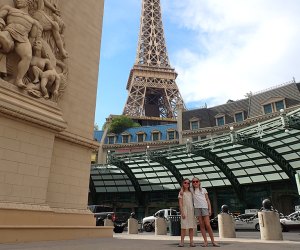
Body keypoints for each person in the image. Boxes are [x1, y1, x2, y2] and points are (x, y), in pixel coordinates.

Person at [0, 0, 41, 88]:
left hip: (23, 39)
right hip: (9, 32)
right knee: (1, 37)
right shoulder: (9, 9)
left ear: (29, 2)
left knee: (27, 56)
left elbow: (32, 39)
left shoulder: (34, 22)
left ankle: (19, 79)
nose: (18, 0)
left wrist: (29, 46)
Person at [191, 177, 219, 247]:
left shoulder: (203, 189)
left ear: (199, 182)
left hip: (204, 208)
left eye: (196, 181)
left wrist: (210, 209)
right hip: (197, 208)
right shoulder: (191, 190)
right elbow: (184, 188)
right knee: (201, 225)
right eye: (193, 182)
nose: (195, 183)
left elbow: (208, 199)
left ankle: (213, 241)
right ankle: (205, 242)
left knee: (208, 225)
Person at [178, 178, 195, 247]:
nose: (187, 184)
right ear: (183, 184)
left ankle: (191, 242)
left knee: (191, 227)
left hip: (191, 210)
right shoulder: (181, 193)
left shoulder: (191, 192)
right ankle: (182, 242)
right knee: (183, 227)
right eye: (185, 183)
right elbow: (180, 203)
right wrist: (182, 212)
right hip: (184, 210)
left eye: (188, 183)